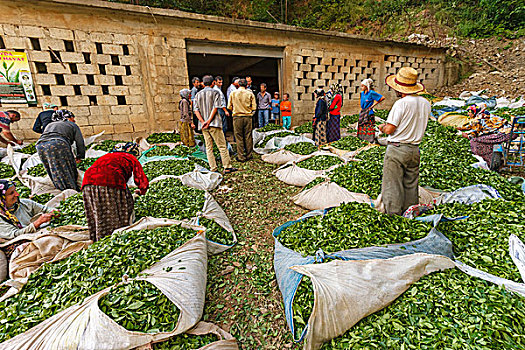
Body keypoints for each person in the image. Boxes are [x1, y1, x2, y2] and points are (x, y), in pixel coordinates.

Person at [379, 67, 430, 216]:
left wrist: (382, 127)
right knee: (410, 185)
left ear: (399, 89)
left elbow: (390, 129)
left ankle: (393, 217)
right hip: (414, 150)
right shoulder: (426, 103)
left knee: (392, 184)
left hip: (397, 149)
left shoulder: (401, 104)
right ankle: (410, 214)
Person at [82, 143, 149, 242]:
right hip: (109, 182)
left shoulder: (109, 156)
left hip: (87, 183)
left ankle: (99, 239)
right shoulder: (131, 158)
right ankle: (117, 236)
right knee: (120, 207)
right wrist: (142, 191)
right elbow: (141, 179)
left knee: (97, 210)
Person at [0, 180, 56, 262]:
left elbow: (45, 209)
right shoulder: (1, 218)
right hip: (16, 242)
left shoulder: (24, 203)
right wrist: (36, 223)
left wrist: (54, 212)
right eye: (11, 193)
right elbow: (15, 235)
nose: (17, 194)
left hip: (33, 234)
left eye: (15, 190)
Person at [194, 75, 237, 174]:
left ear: (203, 83)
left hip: (204, 125)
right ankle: (227, 167)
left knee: (209, 147)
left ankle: (213, 168)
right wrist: (209, 121)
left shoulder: (198, 94)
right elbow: (216, 107)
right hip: (214, 124)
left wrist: (203, 122)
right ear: (213, 83)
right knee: (222, 146)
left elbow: (196, 110)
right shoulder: (215, 92)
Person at [36, 110, 85, 191]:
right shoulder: (72, 124)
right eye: (73, 117)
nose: (74, 120)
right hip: (58, 143)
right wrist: (80, 156)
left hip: (40, 145)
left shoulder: (50, 124)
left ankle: (60, 187)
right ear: (68, 117)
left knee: (52, 167)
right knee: (68, 166)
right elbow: (80, 142)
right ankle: (72, 188)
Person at [228, 78, 256, 162]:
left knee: (239, 136)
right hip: (248, 116)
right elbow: (254, 107)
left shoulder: (233, 93)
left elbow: (229, 106)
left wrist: (235, 109)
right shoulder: (250, 93)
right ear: (247, 85)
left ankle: (240, 156)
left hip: (237, 117)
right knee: (248, 136)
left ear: (238, 84)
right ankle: (249, 155)